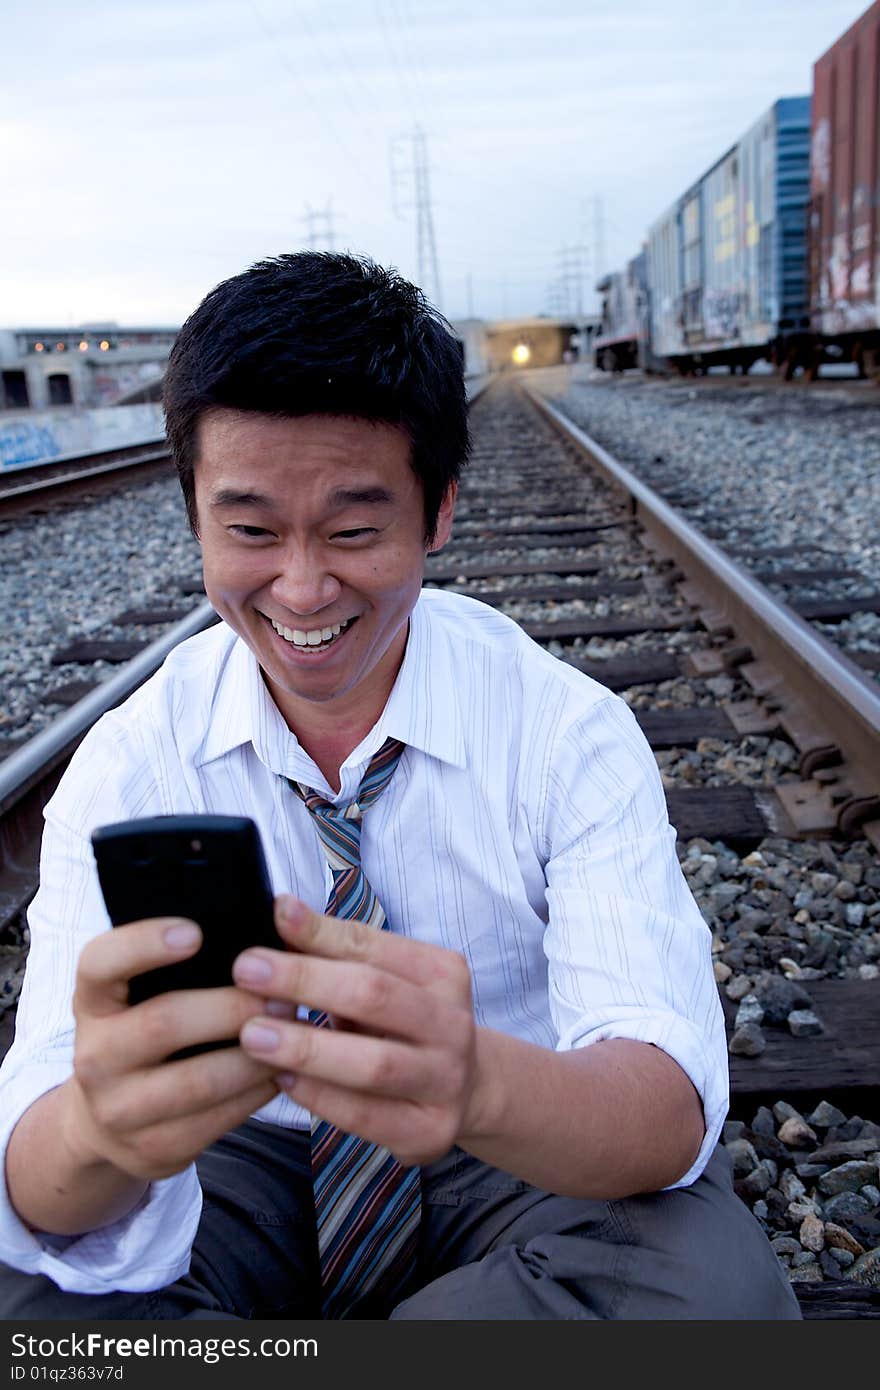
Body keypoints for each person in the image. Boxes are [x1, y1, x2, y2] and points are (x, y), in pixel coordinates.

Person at [0, 252, 800, 1320]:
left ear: (438, 513)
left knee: (712, 1292)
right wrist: (102, 1130)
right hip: (230, 1163)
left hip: (512, 1143)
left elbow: (659, 1102)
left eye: (353, 529)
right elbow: (35, 1170)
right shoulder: (129, 759)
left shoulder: (564, 727)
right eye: (248, 529)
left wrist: (471, 1079)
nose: (300, 586)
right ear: (193, 514)